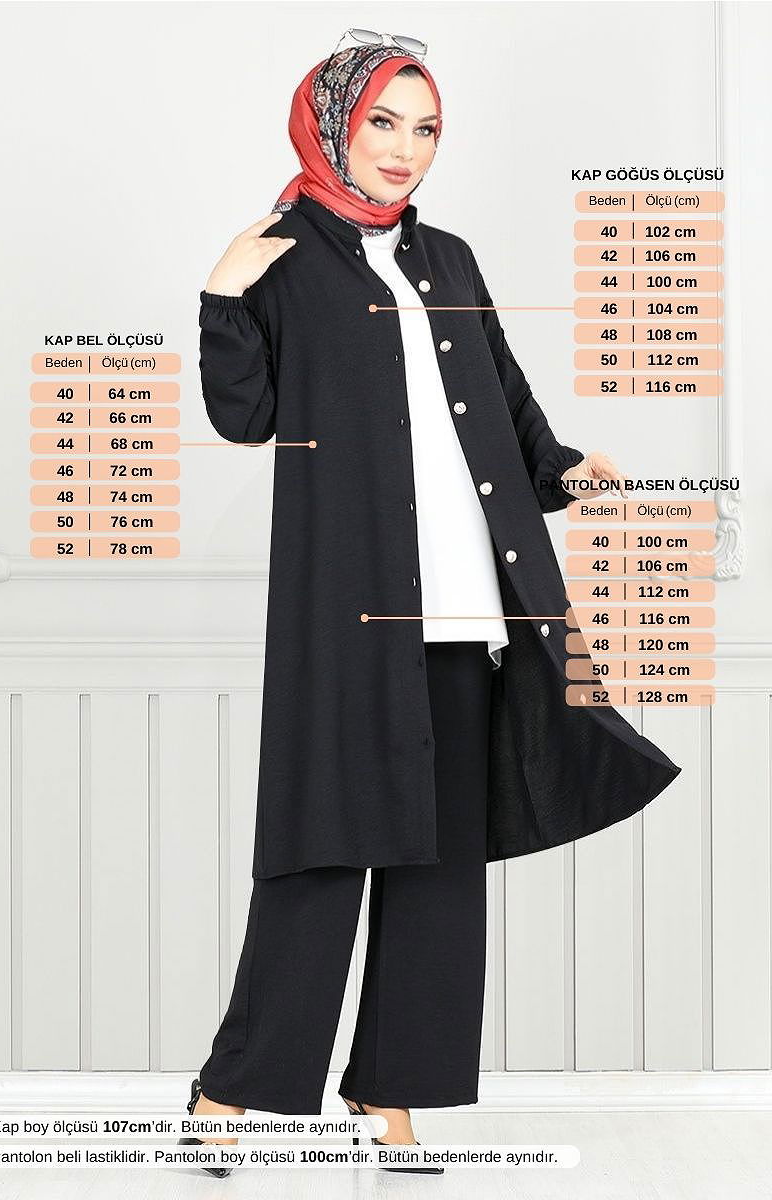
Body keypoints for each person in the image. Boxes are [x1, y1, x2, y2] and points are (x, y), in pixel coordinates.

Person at [180, 29, 682, 1179]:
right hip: (347, 617)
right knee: (321, 855)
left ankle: (390, 1096)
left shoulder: (447, 258)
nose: (404, 148)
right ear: (330, 125)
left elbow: (500, 395)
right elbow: (242, 417)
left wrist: (560, 467)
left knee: (440, 871)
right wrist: (220, 298)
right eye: (381, 123)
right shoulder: (280, 256)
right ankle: (230, 1089)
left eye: (425, 128)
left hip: (468, 609)